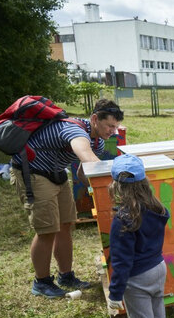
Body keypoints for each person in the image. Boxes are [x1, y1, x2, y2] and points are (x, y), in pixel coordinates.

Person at [9, 99, 123, 298]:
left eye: (116, 127)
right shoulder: (75, 131)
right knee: (47, 229)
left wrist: (102, 194)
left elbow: (82, 174)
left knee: (66, 224)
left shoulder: (98, 141)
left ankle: (66, 275)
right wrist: (122, 186)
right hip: (33, 172)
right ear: (95, 119)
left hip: (56, 173)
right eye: (110, 126)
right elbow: (87, 157)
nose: (113, 131)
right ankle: (41, 282)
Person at [107, 154, 170, 318]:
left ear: (116, 186)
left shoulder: (123, 219)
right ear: (145, 183)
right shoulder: (157, 208)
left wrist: (114, 294)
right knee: (157, 314)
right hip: (159, 268)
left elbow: (121, 262)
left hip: (137, 278)